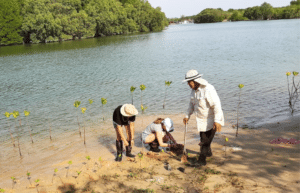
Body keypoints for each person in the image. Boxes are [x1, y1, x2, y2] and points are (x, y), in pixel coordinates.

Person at [182, 69, 224, 166]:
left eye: (190, 82)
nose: (188, 84)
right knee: (203, 138)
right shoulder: (193, 91)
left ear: (196, 81)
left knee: (205, 142)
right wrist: (187, 116)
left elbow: (216, 105)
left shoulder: (208, 89)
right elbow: (191, 105)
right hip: (201, 120)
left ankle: (201, 161)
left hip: (212, 119)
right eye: (188, 82)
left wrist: (217, 121)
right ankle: (208, 153)